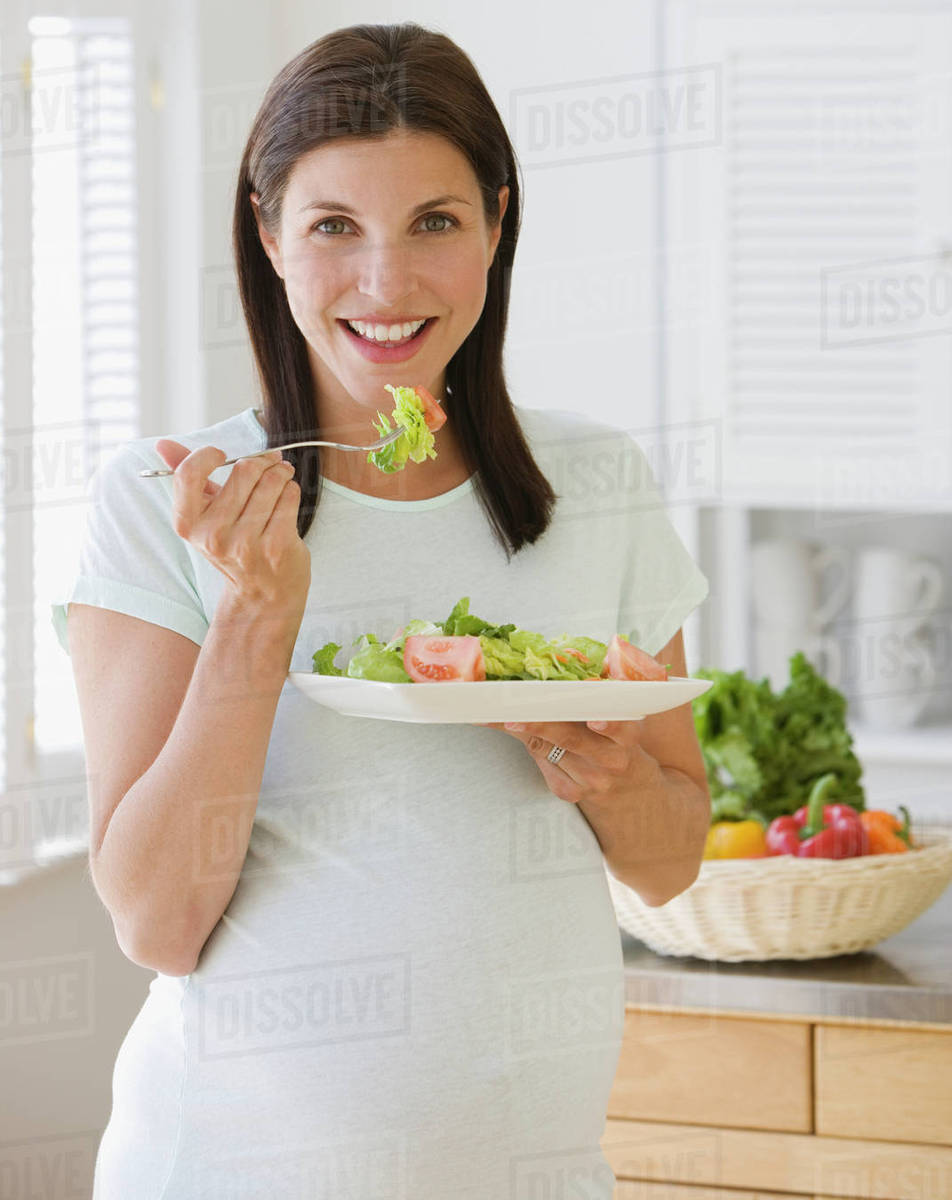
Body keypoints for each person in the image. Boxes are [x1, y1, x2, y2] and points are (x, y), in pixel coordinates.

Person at [50, 21, 712, 1200]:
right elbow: (156, 922)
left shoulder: (597, 484)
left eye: (436, 224)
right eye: (334, 228)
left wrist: (606, 775)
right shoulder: (164, 499)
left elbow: (667, 866)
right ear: (267, 237)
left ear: (498, 225)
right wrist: (255, 621)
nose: (387, 284)